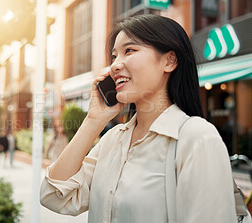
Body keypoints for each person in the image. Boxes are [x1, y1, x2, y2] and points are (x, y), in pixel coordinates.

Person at [40, 14, 237, 222]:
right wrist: (94, 120)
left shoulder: (196, 138)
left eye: (130, 50)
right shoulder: (113, 139)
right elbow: (53, 196)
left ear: (169, 61)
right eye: (114, 56)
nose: (115, 66)